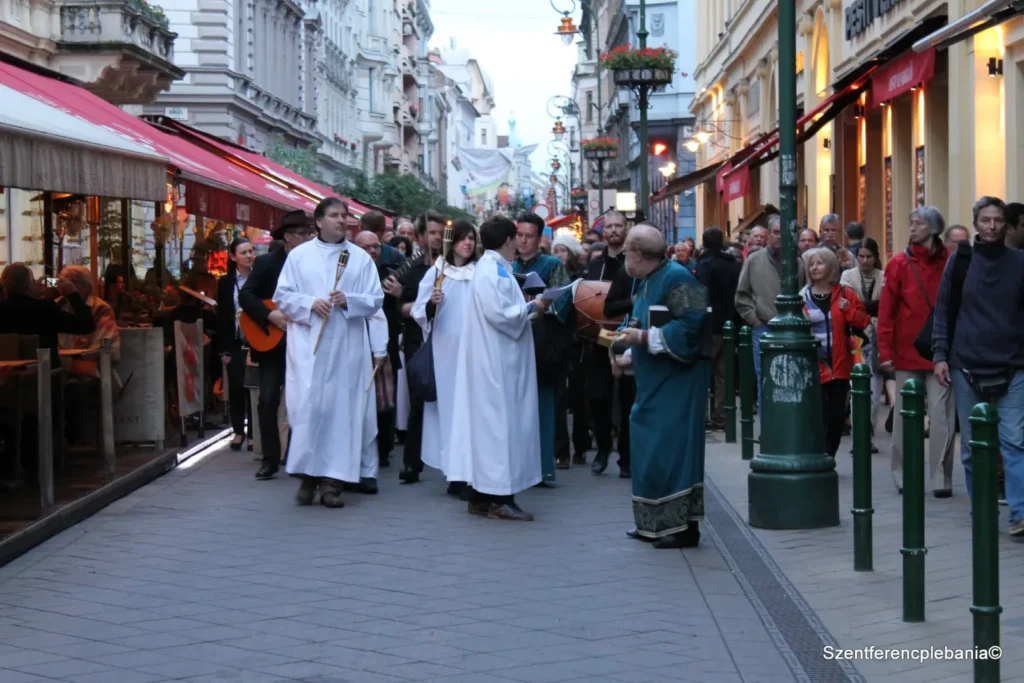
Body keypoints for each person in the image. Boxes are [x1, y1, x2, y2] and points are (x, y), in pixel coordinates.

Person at [273, 197, 386, 507]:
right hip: (310, 346)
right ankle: (307, 477)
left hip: (346, 347)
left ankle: (332, 483)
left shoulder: (360, 258)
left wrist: (348, 299)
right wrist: (310, 303)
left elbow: (375, 299)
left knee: (341, 413)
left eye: (344, 215)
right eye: (334, 215)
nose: (341, 220)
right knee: (310, 410)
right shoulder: (299, 256)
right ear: (319, 221)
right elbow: (282, 296)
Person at [613, 224, 711, 549]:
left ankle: (683, 528)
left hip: (679, 382)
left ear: (639, 254)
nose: (623, 255)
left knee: (673, 451)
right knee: (648, 446)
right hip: (653, 382)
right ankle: (652, 523)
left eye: (627, 249)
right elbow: (640, 322)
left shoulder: (679, 277)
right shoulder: (643, 281)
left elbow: (695, 325)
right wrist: (629, 351)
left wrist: (644, 339)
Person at [447, 216, 550, 521]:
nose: (519, 243)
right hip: (497, 366)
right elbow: (501, 314)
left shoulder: (495, 269)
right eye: (516, 237)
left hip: (499, 361)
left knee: (494, 429)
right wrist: (534, 307)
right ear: (508, 241)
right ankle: (499, 498)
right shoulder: (491, 271)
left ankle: (481, 496)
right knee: (500, 429)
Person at [933, 197, 1024, 535]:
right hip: (966, 364)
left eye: (998, 220)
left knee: (1014, 440)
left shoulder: (1019, 262)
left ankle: (1020, 512)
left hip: (1013, 365)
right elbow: (944, 311)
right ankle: (982, 510)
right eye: (985, 220)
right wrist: (940, 355)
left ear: (1007, 225)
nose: (992, 226)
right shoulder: (960, 262)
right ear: (975, 224)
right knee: (972, 446)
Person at [877, 205, 956, 497]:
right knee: (904, 418)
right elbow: (887, 311)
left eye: (918, 223)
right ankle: (903, 475)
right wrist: (884, 350)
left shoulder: (950, 262)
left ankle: (941, 477)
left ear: (933, 228)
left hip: (941, 354)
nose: (912, 228)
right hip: (907, 351)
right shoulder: (898, 264)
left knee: (943, 417)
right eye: (910, 223)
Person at [240, 210, 316, 481]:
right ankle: (270, 459)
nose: (309, 238)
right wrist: (268, 314)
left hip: (304, 343)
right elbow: (246, 295)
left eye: (311, 233)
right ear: (288, 237)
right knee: (268, 399)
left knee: (304, 400)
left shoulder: (314, 265)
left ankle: (297, 456)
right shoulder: (266, 263)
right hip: (272, 344)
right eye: (304, 234)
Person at [411, 220, 478, 492]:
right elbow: (419, 312)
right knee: (451, 412)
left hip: (474, 353)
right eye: (462, 238)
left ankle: (471, 470)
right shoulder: (438, 273)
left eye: (471, 239)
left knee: (471, 413)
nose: (467, 243)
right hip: (446, 353)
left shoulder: (480, 272)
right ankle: (455, 473)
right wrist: (431, 304)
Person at [513, 212, 573, 486]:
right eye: (520, 235)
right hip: (513, 342)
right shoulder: (506, 263)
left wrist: (541, 303)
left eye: (529, 236)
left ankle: (544, 469)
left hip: (543, 344)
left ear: (539, 239)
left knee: (544, 406)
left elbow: (563, 300)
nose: (523, 241)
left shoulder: (552, 264)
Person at [801, 247, 870, 458]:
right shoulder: (802, 296)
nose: (814, 267)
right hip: (816, 366)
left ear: (831, 265)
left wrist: (848, 309)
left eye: (820, 263)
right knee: (817, 415)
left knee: (836, 417)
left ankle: (829, 455)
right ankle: (819, 455)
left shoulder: (845, 293)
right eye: (811, 264)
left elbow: (863, 321)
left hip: (841, 365)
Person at [735, 214, 806, 413]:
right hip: (763, 326)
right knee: (765, 376)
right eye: (775, 233)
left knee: (789, 377)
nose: (779, 237)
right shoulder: (755, 260)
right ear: (768, 235)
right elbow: (742, 294)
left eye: (784, 233)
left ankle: (786, 422)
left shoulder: (797, 263)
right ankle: (768, 429)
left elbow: (803, 293)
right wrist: (753, 318)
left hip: (790, 328)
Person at [583, 210, 635, 477]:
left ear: (626, 229)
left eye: (619, 226)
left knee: (628, 398)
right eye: (610, 226)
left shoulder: (634, 263)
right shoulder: (595, 264)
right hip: (601, 337)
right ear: (604, 231)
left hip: (629, 336)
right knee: (598, 396)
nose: (614, 230)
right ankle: (603, 448)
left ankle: (626, 457)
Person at [396, 210, 446, 484]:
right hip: (418, 342)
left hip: (447, 339)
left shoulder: (452, 265)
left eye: (441, 232)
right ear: (419, 237)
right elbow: (399, 307)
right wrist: (417, 307)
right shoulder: (410, 269)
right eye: (432, 233)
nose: (437, 238)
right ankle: (412, 462)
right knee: (418, 402)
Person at [354, 231, 400, 470]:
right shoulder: (351, 272)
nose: (372, 251)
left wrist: (400, 293)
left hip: (384, 343)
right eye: (366, 247)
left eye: (376, 247)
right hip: (355, 345)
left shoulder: (390, 273)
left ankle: (382, 450)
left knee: (383, 400)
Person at [550, 232, 591, 468]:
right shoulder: (554, 277)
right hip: (558, 342)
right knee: (560, 398)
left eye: (563, 251)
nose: (559, 255)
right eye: (556, 251)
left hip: (578, 342)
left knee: (578, 397)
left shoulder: (579, 278)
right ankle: (561, 451)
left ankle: (581, 446)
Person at [696, 226, 742, 432]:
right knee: (723, 373)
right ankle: (721, 416)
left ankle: (703, 415)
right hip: (730, 322)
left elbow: (701, 295)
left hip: (710, 324)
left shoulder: (705, 265)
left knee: (704, 370)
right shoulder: (733, 264)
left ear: (704, 243)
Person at [840, 237, 884, 453]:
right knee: (858, 390)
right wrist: (868, 307)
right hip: (855, 338)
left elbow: (883, 306)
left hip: (876, 340)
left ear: (876, 258)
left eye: (869, 257)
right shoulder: (847, 275)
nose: (864, 261)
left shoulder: (883, 278)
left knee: (874, 395)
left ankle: (869, 436)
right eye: (861, 256)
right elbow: (845, 303)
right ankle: (859, 439)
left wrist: (858, 307)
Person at [216, 238, 256, 451]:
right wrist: (223, 348)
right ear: (233, 257)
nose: (249, 255)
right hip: (234, 340)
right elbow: (222, 316)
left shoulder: (259, 278)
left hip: (257, 340)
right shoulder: (225, 283)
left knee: (253, 386)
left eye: (251, 251)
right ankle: (238, 430)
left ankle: (253, 432)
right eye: (243, 252)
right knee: (236, 385)